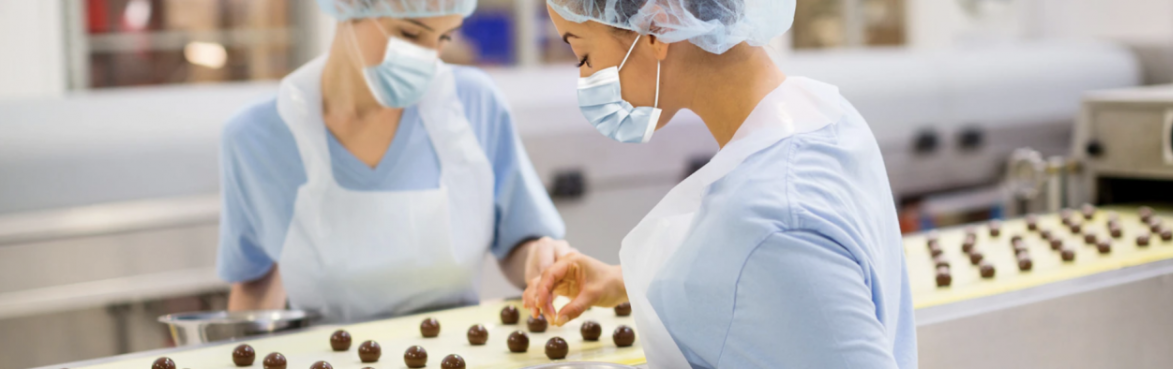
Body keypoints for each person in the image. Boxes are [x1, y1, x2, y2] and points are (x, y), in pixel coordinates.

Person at [524, 0, 918, 367]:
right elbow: (775, 285)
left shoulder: (773, 218)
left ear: (656, 29)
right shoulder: (825, 115)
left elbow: (774, 249)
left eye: (584, 57)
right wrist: (622, 280)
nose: (586, 78)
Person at [217, 0, 572, 323]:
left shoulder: (474, 105)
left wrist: (536, 258)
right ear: (350, 8)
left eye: (444, 37)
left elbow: (517, 243)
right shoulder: (256, 139)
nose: (427, 58)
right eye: (410, 33)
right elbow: (253, 288)